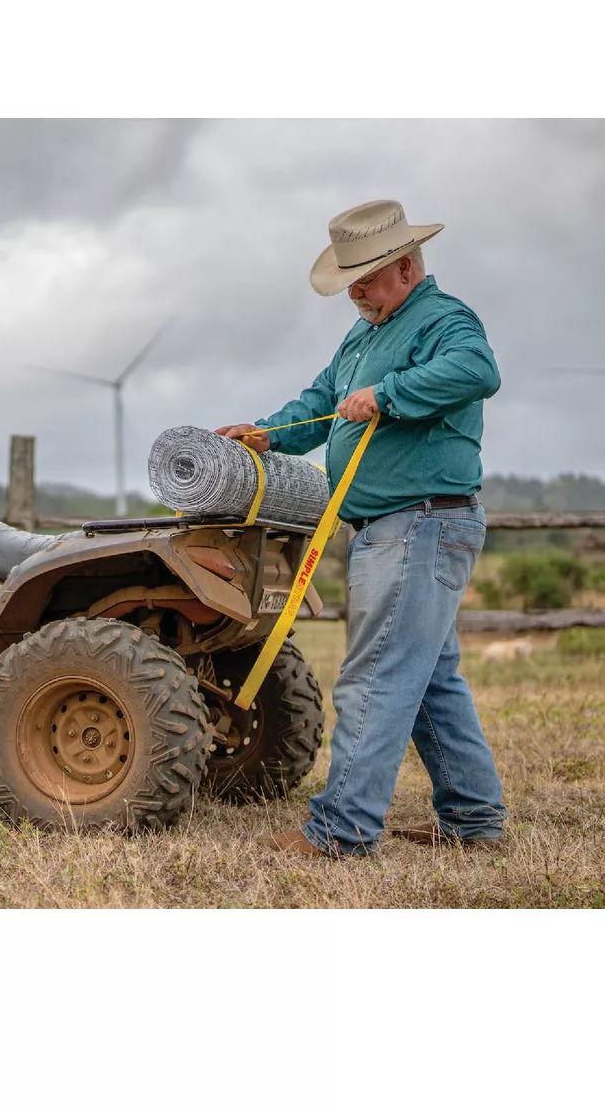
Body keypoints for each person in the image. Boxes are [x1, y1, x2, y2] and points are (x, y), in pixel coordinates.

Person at [216, 198, 507, 857]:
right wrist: (266, 432)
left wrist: (390, 393)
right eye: (350, 280)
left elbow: (479, 370)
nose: (356, 291)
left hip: (421, 522)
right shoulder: (365, 332)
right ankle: (473, 820)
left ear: (405, 268)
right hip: (397, 527)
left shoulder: (443, 319)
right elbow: (321, 403)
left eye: (367, 279)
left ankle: (340, 831)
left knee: (375, 675)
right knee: (428, 677)